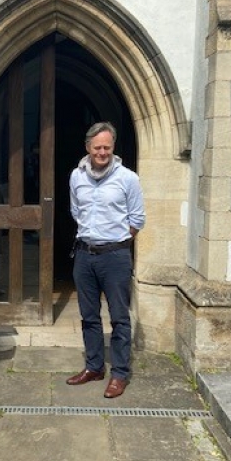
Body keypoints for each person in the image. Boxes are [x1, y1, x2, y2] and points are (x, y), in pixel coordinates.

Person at [66, 122, 145, 398]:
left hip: (115, 257)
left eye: (107, 147)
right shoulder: (76, 177)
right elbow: (77, 211)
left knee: (120, 318)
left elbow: (137, 220)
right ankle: (94, 367)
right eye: (97, 147)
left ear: (113, 148)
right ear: (88, 147)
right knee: (89, 316)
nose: (102, 152)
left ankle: (120, 374)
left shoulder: (128, 179)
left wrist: (116, 242)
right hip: (85, 256)